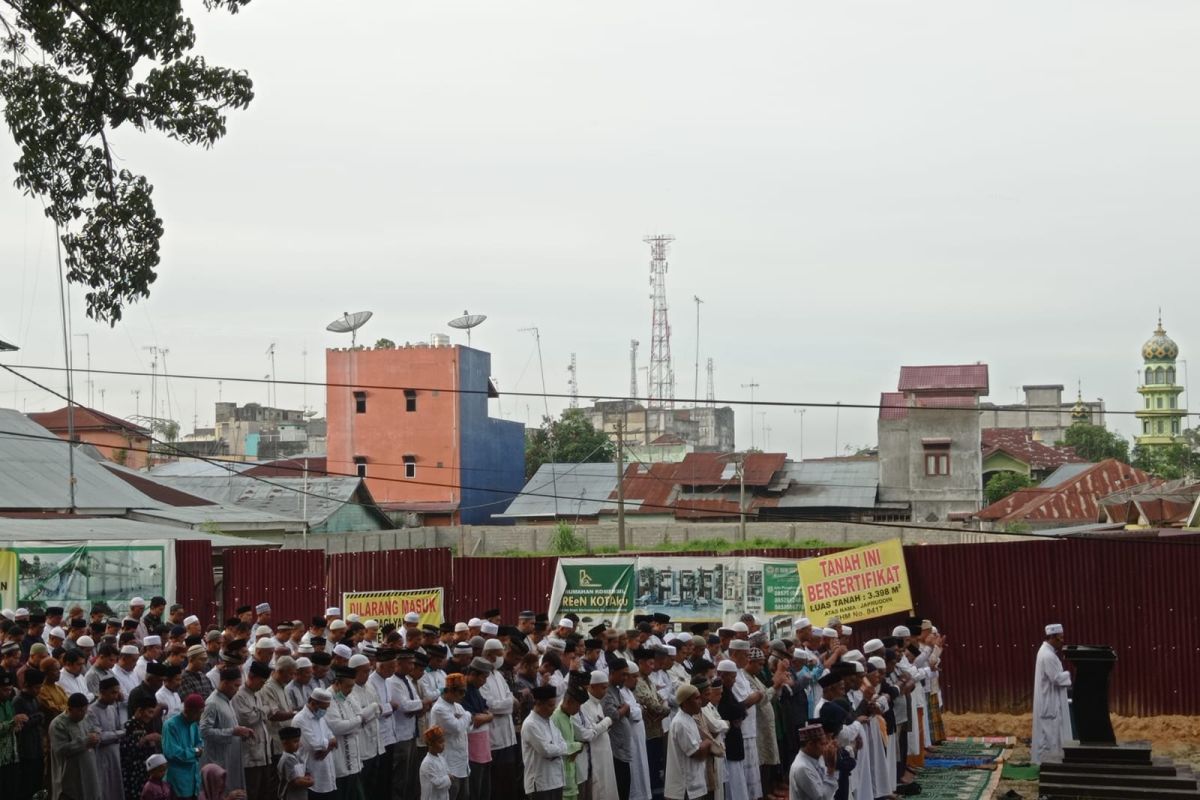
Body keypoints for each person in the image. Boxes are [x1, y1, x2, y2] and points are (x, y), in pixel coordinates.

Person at [200, 669, 252, 792]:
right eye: (235, 685)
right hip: (219, 760)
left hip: (232, 758)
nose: (237, 689)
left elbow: (230, 726)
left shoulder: (226, 701)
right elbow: (204, 732)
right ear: (224, 683)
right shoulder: (212, 703)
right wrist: (232, 732)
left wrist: (242, 732)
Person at [524, 684, 575, 800]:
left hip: (556, 780)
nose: (554, 708)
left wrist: (557, 748)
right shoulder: (530, 724)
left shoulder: (549, 721)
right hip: (541, 783)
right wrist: (559, 749)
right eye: (551, 705)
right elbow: (546, 750)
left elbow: (563, 744)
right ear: (539, 704)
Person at [1031, 624, 1072, 765]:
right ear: (1052, 638)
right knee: (1049, 735)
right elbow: (1056, 678)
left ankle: (1051, 760)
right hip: (1049, 702)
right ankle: (1048, 763)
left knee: (1050, 733)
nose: (1062, 641)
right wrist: (1069, 674)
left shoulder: (1047, 652)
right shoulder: (1047, 655)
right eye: (1060, 638)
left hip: (1049, 699)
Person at [664, 684, 711, 800]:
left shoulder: (689, 718)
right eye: (696, 698)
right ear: (685, 702)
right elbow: (697, 754)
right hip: (685, 789)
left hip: (692, 786)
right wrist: (708, 743)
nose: (700, 701)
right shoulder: (680, 723)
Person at [429, 672, 472, 800]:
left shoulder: (458, 707)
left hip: (462, 762)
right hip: (448, 764)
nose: (463, 696)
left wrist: (462, 720)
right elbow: (458, 728)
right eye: (460, 692)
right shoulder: (439, 709)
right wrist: (467, 715)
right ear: (449, 691)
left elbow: (468, 728)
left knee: (465, 796)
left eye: (464, 692)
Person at [51, 692, 101, 800]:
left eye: (84, 710)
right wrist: (85, 741)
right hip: (70, 774)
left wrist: (96, 737)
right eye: (79, 711)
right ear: (69, 709)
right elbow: (60, 749)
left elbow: (95, 729)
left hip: (89, 771)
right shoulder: (58, 724)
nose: (83, 714)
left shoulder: (86, 717)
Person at [292, 689, 336, 800]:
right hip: (310, 772)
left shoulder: (320, 717)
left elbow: (332, 737)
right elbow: (315, 745)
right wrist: (329, 744)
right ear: (314, 703)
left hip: (326, 769)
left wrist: (327, 748)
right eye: (324, 708)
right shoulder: (300, 720)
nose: (325, 711)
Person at [89, 676, 128, 800]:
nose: (116, 696)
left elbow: (118, 728)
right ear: (102, 692)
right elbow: (99, 737)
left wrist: (119, 732)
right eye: (113, 692)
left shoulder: (112, 708)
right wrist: (121, 733)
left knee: (115, 788)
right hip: (101, 756)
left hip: (115, 754)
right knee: (104, 788)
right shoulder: (91, 711)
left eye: (117, 692)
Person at [163, 694, 205, 800]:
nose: (200, 717)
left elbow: (200, 743)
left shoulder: (194, 724)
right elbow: (172, 753)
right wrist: (194, 752)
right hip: (178, 781)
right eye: (198, 713)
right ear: (188, 710)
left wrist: (197, 750)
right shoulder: (171, 725)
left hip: (193, 779)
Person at [121, 695, 163, 800]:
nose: (150, 716)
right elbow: (126, 751)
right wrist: (145, 739)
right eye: (149, 712)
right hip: (132, 773)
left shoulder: (142, 725)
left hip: (142, 771)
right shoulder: (129, 726)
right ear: (140, 710)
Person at [14, 667, 47, 800]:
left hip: (37, 748)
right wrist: (38, 717)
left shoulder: (34, 699)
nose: (38, 691)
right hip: (26, 751)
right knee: (28, 786)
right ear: (27, 685)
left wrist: (36, 717)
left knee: (38, 784)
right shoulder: (18, 701)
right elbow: (22, 724)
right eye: (36, 687)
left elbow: (39, 717)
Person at [550, 686, 585, 800]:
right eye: (578, 705)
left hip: (571, 775)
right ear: (569, 702)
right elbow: (557, 747)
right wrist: (578, 746)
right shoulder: (555, 717)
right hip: (561, 778)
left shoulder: (568, 715)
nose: (579, 709)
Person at [787, 724, 837, 800]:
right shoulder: (802, 767)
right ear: (810, 745)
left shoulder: (817, 757)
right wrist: (831, 770)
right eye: (822, 744)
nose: (825, 748)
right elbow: (822, 797)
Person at [276, 726, 314, 800]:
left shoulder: (298, 756)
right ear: (285, 743)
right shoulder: (286, 760)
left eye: (298, 741)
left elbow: (307, 772)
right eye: (295, 741)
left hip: (301, 796)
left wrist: (308, 777)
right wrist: (310, 782)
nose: (298, 744)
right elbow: (295, 781)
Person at [420, 726, 452, 800]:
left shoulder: (441, 758)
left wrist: (448, 777)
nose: (443, 744)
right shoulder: (427, 763)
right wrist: (448, 778)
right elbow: (436, 783)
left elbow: (447, 772)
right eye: (440, 742)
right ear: (431, 744)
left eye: (443, 741)